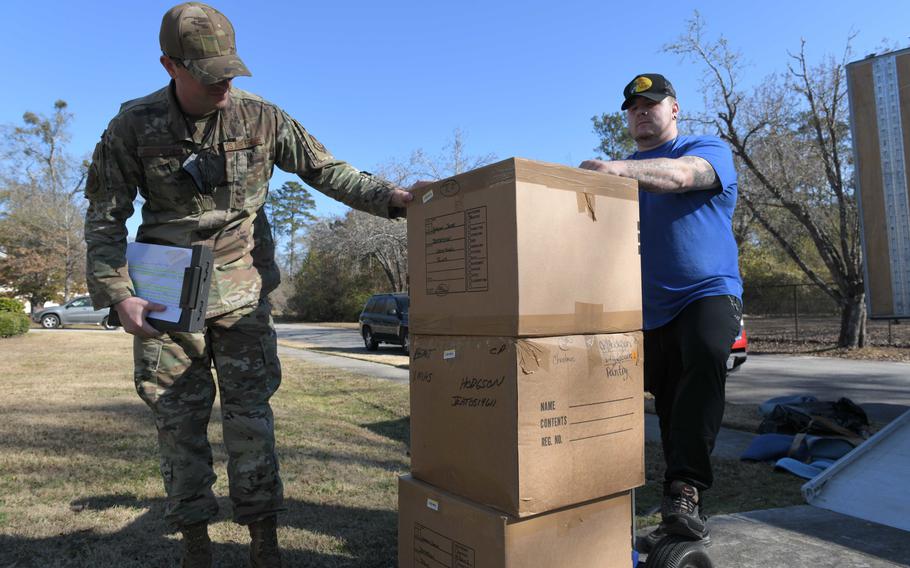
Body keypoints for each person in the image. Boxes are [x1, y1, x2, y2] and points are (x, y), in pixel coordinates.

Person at [83, 3, 414, 567]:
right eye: (209, 74)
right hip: (166, 293)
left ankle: (264, 539)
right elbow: (104, 216)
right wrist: (119, 293)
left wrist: (392, 198)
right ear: (170, 65)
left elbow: (325, 170)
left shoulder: (262, 118)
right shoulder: (131, 127)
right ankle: (195, 543)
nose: (223, 85)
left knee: (251, 419)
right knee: (178, 422)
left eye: (230, 72)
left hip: (242, 289)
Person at [580, 74, 743, 551]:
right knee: (670, 404)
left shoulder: (704, 148)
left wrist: (614, 173)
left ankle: (685, 490)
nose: (641, 112)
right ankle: (673, 511)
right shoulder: (621, 171)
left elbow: (681, 177)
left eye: (652, 104)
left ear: (675, 109)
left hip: (707, 292)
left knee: (705, 354)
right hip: (644, 311)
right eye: (633, 107)